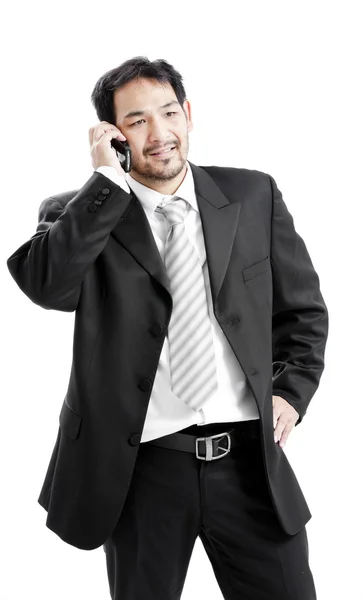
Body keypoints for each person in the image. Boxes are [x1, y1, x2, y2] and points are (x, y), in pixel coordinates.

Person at [6, 56, 329, 600]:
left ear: (188, 114)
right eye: (136, 121)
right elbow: (47, 287)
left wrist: (292, 393)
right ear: (113, 135)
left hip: (250, 465)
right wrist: (105, 182)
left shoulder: (252, 195)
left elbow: (304, 313)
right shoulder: (82, 211)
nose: (159, 134)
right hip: (141, 470)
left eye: (168, 112)